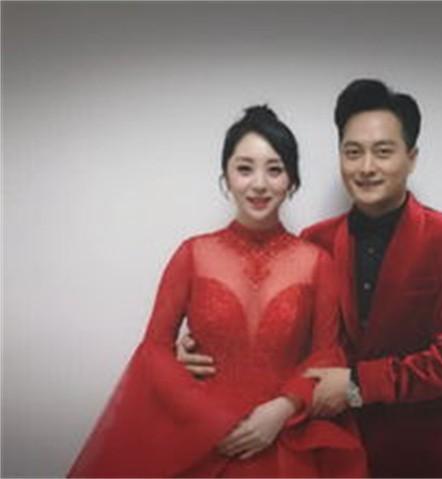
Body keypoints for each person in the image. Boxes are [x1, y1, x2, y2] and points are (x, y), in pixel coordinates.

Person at [178, 79, 442, 478]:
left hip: (419, 455)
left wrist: (358, 384)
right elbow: (288, 341)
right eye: (352, 152)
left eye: (383, 152)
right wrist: (198, 350)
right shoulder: (315, 242)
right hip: (328, 453)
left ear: (411, 158)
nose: (366, 167)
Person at [68, 106, 368, 478]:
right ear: (226, 176)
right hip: (201, 436)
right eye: (245, 168)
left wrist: (282, 409)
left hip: (284, 437)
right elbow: (155, 349)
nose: (259, 184)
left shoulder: (317, 262)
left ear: (292, 179)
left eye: (274, 170)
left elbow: (325, 355)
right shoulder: (192, 254)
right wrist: (209, 419)